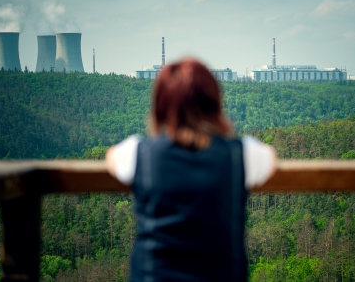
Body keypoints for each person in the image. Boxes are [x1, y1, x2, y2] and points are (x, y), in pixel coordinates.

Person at [106, 58, 276, 281]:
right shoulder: (241, 155)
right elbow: (270, 157)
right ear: (214, 102)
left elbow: (111, 157)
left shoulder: (138, 154)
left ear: (160, 105)